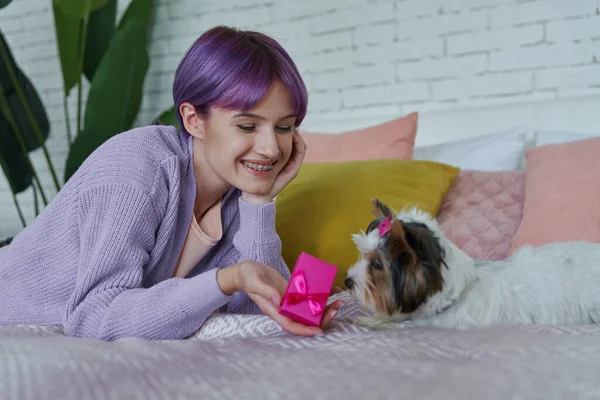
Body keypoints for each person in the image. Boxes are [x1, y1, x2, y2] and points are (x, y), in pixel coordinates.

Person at [0, 26, 344, 341]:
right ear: (194, 120)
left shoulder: (236, 193)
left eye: (284, 127)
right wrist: (227, 279)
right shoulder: (137, 166)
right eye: (247, 126)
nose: (271, 149)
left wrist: (259, 202)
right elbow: (93, 319)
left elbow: (254, 315)